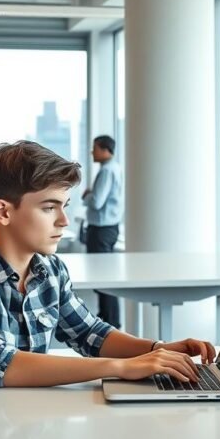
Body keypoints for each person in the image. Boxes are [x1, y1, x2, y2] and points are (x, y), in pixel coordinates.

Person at [0, 141, 214, 438]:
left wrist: (157, 349)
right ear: (3, 212)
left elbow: (91, 334)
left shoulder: (50, 270)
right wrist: (121, 367)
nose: (63, 221)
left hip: (24, 427)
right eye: (49, 207)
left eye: (64, 207)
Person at [82, 135, 124, 328]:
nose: (92, 152)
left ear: (106, 149)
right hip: (109, 228)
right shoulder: (115, 168)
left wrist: (87, 195)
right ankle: (109, 321)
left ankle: (110, 323)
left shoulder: (107, 171)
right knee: (105, 277)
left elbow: (97, 202)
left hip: (101, 230)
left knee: (102, 278)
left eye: (95, 148)